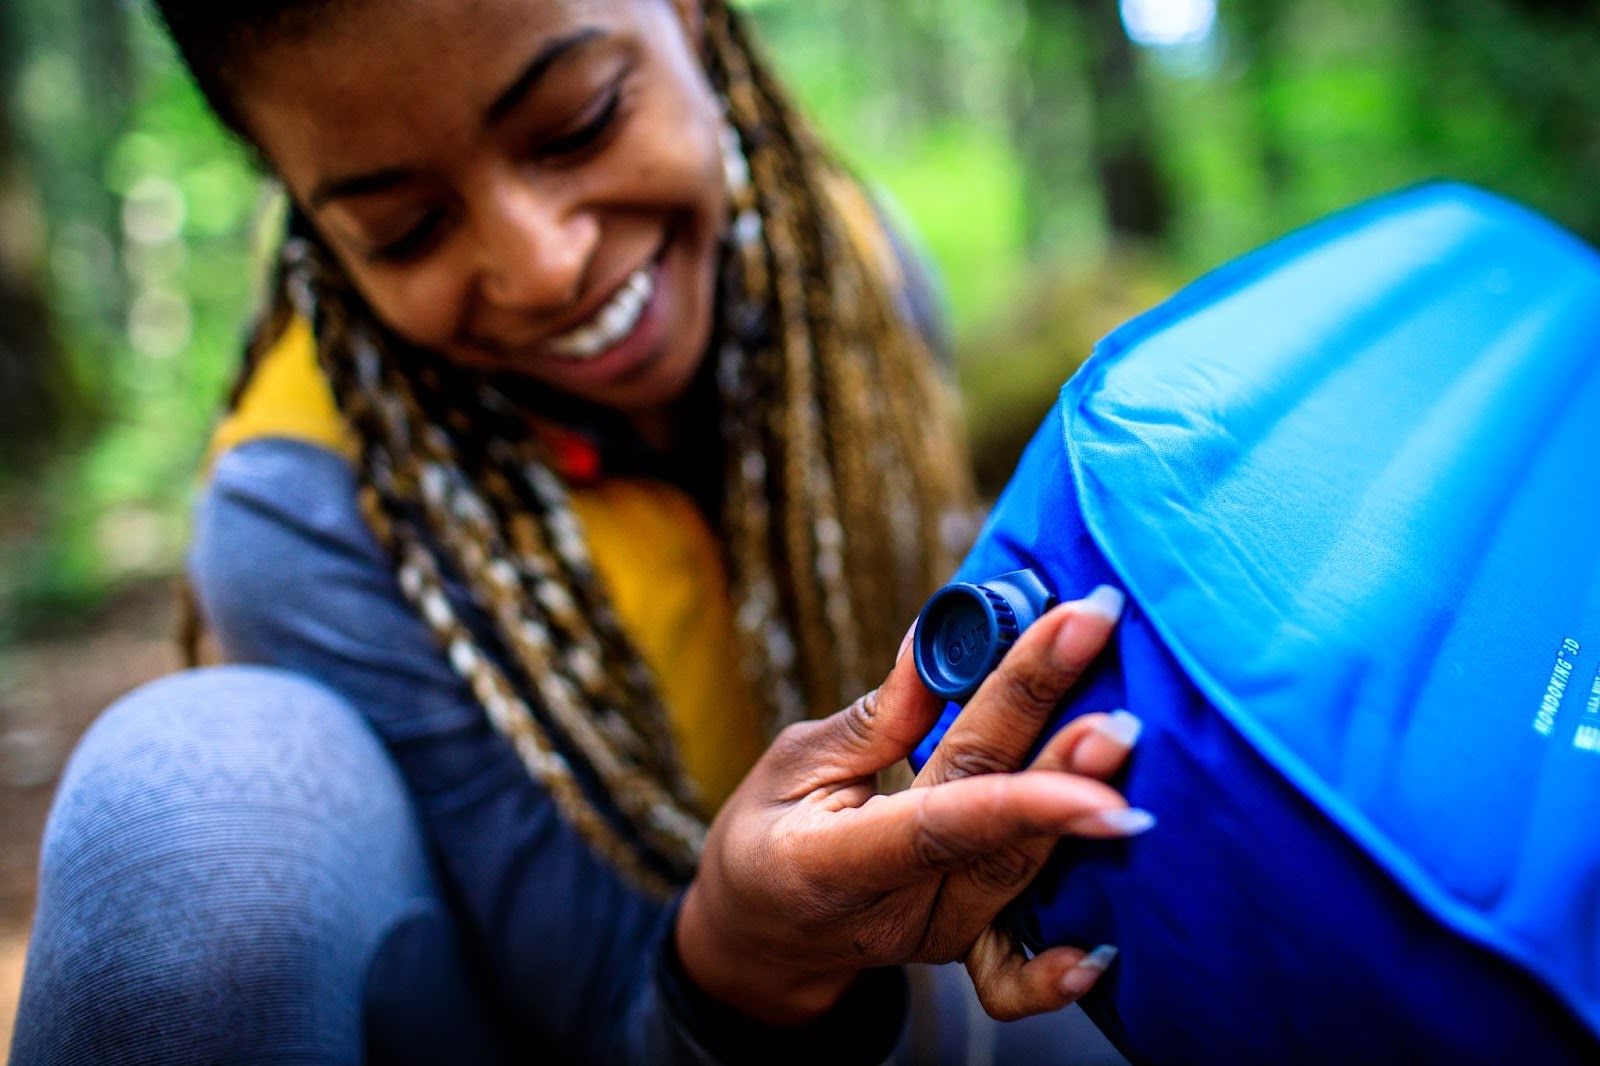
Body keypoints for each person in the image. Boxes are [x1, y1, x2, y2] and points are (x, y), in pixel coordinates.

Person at [10, 1, 1150, 1062]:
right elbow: (599, 1009)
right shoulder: (307, 507)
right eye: (406, 228)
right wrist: (743, 957)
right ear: (311, 222)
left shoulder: (847, 277)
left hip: (915, 972)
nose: (543, 265)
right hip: (574, 1016)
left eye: (578, 124)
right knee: (185, 799)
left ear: (692, 14)